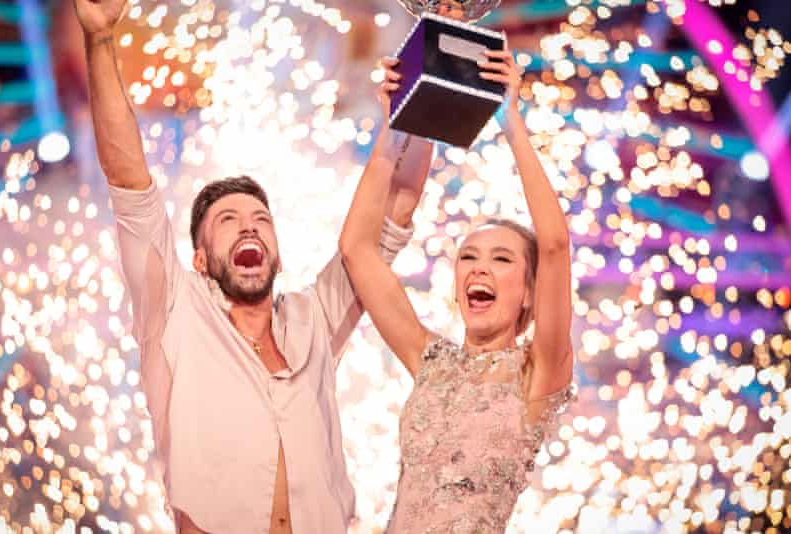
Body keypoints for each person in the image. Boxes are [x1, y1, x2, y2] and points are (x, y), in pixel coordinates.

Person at [72, 0, 431, 532]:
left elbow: (395, 212)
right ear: (198, 257)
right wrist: (101, 41)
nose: (248, 226)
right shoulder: (173, 313)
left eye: (260, 219)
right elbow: (128, 181)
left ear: (278, 253)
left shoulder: (313, 320)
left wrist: (415, 113)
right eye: (227, 220)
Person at [339, 44, 576, 532]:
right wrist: (392, 127)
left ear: (530, 293)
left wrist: (512, 121)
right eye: (468, 257)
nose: (478, 269)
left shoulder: (539, 374)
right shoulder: (430, 361)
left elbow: (553, 245)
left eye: (502, 259)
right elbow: (357, 250)